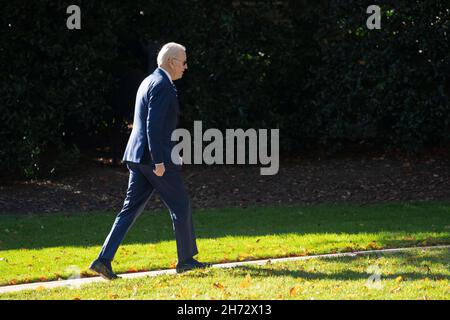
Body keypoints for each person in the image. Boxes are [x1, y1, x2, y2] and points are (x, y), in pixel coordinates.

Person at [89, 42, 210, 280]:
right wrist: (160, 160)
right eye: (184, 62)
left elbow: (152, 126)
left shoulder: (149, 81)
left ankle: (103, 260)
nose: (186, 67)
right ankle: (186, 261)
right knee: (180, 204)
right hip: (154, 159)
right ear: (172, 62)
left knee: (129, 209)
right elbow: (153, 127)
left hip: (137, 156)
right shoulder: (163, 85)